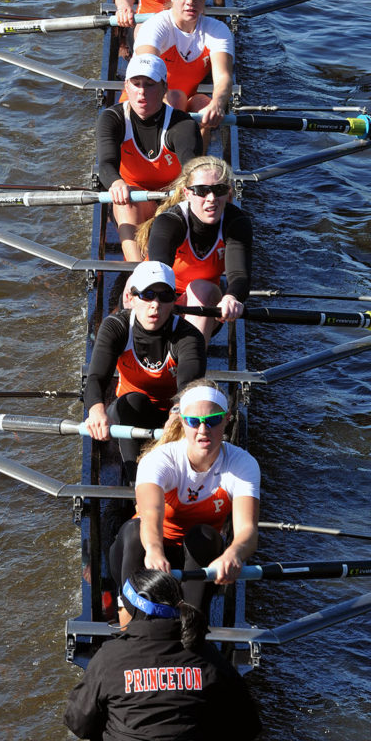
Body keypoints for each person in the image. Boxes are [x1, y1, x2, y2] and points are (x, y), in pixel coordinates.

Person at [64, 568, 261, 741]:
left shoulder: (108, 657)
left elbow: (78, 723)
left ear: (140, 608)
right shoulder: (209, 657)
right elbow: (248, 728)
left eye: (121, 605)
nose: (118, 612)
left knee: (95, 710)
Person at [110, 379, 260, 622]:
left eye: (212, 420)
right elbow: (150, 516)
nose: (203, 430)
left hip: (198, 562)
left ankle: (191, 622)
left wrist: (234, 553)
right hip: (146, 552)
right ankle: (132, 615)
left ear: (227, 418)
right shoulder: (159, 461)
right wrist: (155, 550)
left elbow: (247, 532)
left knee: (205, 535)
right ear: (183, 422)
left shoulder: (242, 464)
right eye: (194, 421)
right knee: (135, 530)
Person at [84, 261, 205, 483]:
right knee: (131, 402)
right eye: (147, 295)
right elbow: (95, 379)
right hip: (128, 415)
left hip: (173, 419)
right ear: (130, 298)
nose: (155, 305)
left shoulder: (189, 337)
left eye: (164, 296)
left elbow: (189, 387)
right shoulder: (116, 328)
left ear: (174, 301)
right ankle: (136, 490)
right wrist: (95, 410)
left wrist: (177, 413)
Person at [97, 52, 201, 261]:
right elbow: (106, 164)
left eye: (150, 84)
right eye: (136, 84)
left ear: (164, 88)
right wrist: (116, 182)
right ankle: (139, 274)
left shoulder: (182, 124)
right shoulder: (112, 118)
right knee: (125, 202)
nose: (141, 92)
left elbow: (191, 166)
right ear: (126, 86)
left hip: (172, 197)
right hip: (132, 199)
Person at [137, 156, 252, 343]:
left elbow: (239, 275)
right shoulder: (170, 222)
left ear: (229, 194)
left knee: (202, 289)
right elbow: (156, 274)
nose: (212, 198)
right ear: (187, 193)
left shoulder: (237, 223)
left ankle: (190, 363)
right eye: (202, 191)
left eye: (219, 190)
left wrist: (232, 297)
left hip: (203, 307)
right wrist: (162, 305)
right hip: (155, 296)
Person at [134, 0, 234, 146]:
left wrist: (218, 103)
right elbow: (144, 75)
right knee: (175, 97)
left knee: (204, 105)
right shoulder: (155, 27)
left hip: (185, 106)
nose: (190, 1)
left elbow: (223, 78)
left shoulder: (218, 30)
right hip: (145, 102)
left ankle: (195, 168)